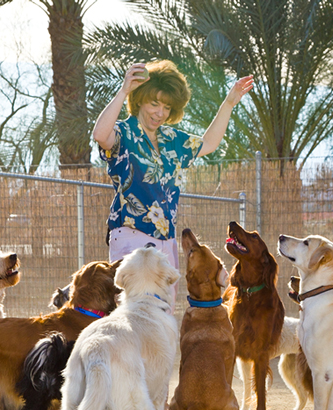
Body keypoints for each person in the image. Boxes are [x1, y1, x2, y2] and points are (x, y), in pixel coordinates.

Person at [95, 60, 253, 309]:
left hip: (166, 242)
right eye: (154, 103)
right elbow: (100, 135)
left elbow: (208, 144)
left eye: (166, 107)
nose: (160, 113)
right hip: (130, 237)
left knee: (163, 315)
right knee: (135, 315)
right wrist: (124, 89)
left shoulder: (171, 139)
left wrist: (229, 102)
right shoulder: (124, 132)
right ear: (139, 99)